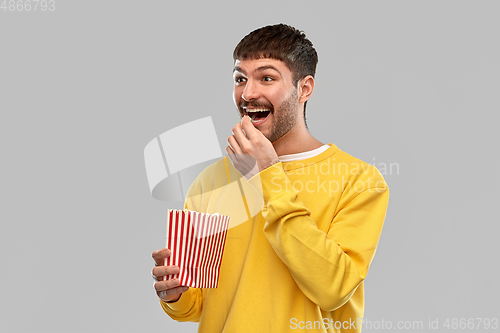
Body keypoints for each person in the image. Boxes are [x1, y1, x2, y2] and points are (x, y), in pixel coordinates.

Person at [152, 23, 389, 332]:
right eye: (240, 79)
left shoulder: (359, 180)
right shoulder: (211, 181)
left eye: (266, 78)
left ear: (304, 88)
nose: (248, 93)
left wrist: (266, 174)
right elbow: (197, 306)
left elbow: (333, 288)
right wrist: (175, 294)